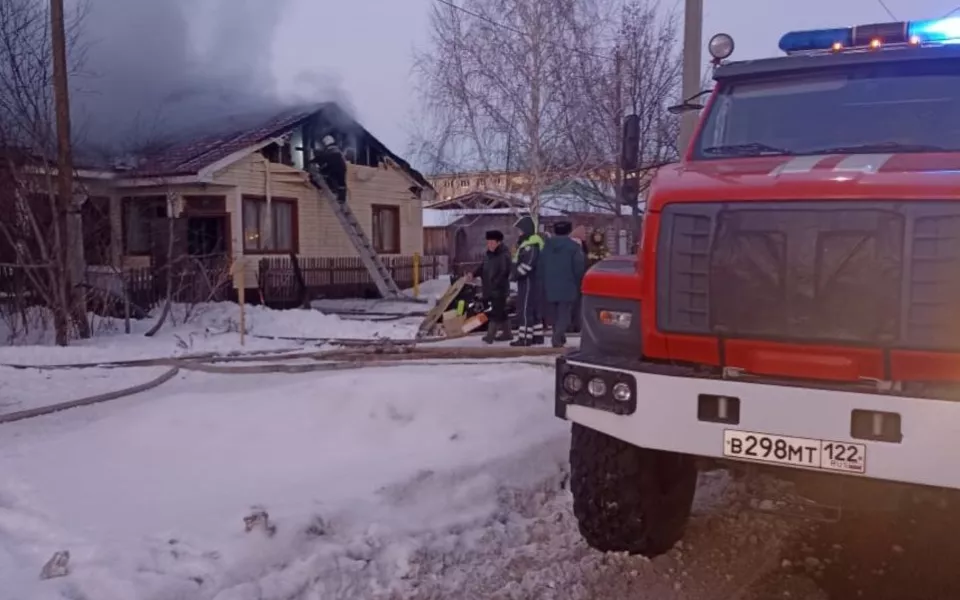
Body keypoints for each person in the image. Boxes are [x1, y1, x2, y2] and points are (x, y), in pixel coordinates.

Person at [539, 221, 586, 348]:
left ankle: (559, 336)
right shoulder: (574, 247)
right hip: (568, 284)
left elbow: (540, 265)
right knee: (564, 313)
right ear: (569, 231)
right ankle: (557, 337)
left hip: (549, 285)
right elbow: (579, 268)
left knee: (554, 314)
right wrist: (578, 282)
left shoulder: (546, 246)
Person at [468, 230, 513, 343]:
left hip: (499, 289)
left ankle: (490, 336)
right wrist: (473, 274)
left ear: (498, 242)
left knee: (495, 313)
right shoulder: (489, 254)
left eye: (492, 242)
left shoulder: (504, 255)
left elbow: (504, 272)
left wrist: (495, 284)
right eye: (488, 242)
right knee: (501, 311)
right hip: (489, 288)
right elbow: (482, 267)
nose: (489, 245)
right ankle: (508, 334)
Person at [510, 215, 545, 346]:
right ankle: (537, 336)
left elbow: (528, 264)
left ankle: (524, 337)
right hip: (533, 281)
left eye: (520, 230)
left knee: (524, 309)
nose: (518, 233)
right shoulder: (531, 243)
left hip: (528, 281)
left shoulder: (531, 245)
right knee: (533, 309)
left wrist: (515, 275)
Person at [312, 134, 348, 203]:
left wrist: (313, 161)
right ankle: (341, 198)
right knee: (341, 183)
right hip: (341, 168)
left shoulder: (330, 150)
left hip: (334, 167)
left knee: (326, 176)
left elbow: (324, 157)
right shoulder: (337, 150)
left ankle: (327, 188)